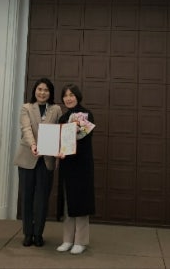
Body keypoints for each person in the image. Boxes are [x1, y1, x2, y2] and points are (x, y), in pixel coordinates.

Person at [12, 78, 62, 247]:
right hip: (28, 156)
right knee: (27, 197)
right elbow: (25, 128)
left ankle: (38, 233)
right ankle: (27, 233)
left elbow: (60, 131)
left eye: (46, 90)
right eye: (40, 89)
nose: (42, 93)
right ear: (35, 90)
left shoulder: (56, 109)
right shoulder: (26, 107)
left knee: (42, 199)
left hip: (47, 160)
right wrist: (33, 145)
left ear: (50, 92)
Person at [55, 84, 95, 255]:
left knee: (81, 201)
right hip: (67, 164)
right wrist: (57, 150)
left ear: (77, 96)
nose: (68, 98)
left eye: (71, 95)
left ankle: (81, 241)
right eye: (65, 95)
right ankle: (67, 239)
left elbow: (85, 138)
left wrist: (77, 127)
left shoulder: (86, 114)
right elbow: (59, 141)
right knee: (67, 202)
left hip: (82, 165)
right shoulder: (63, 118)